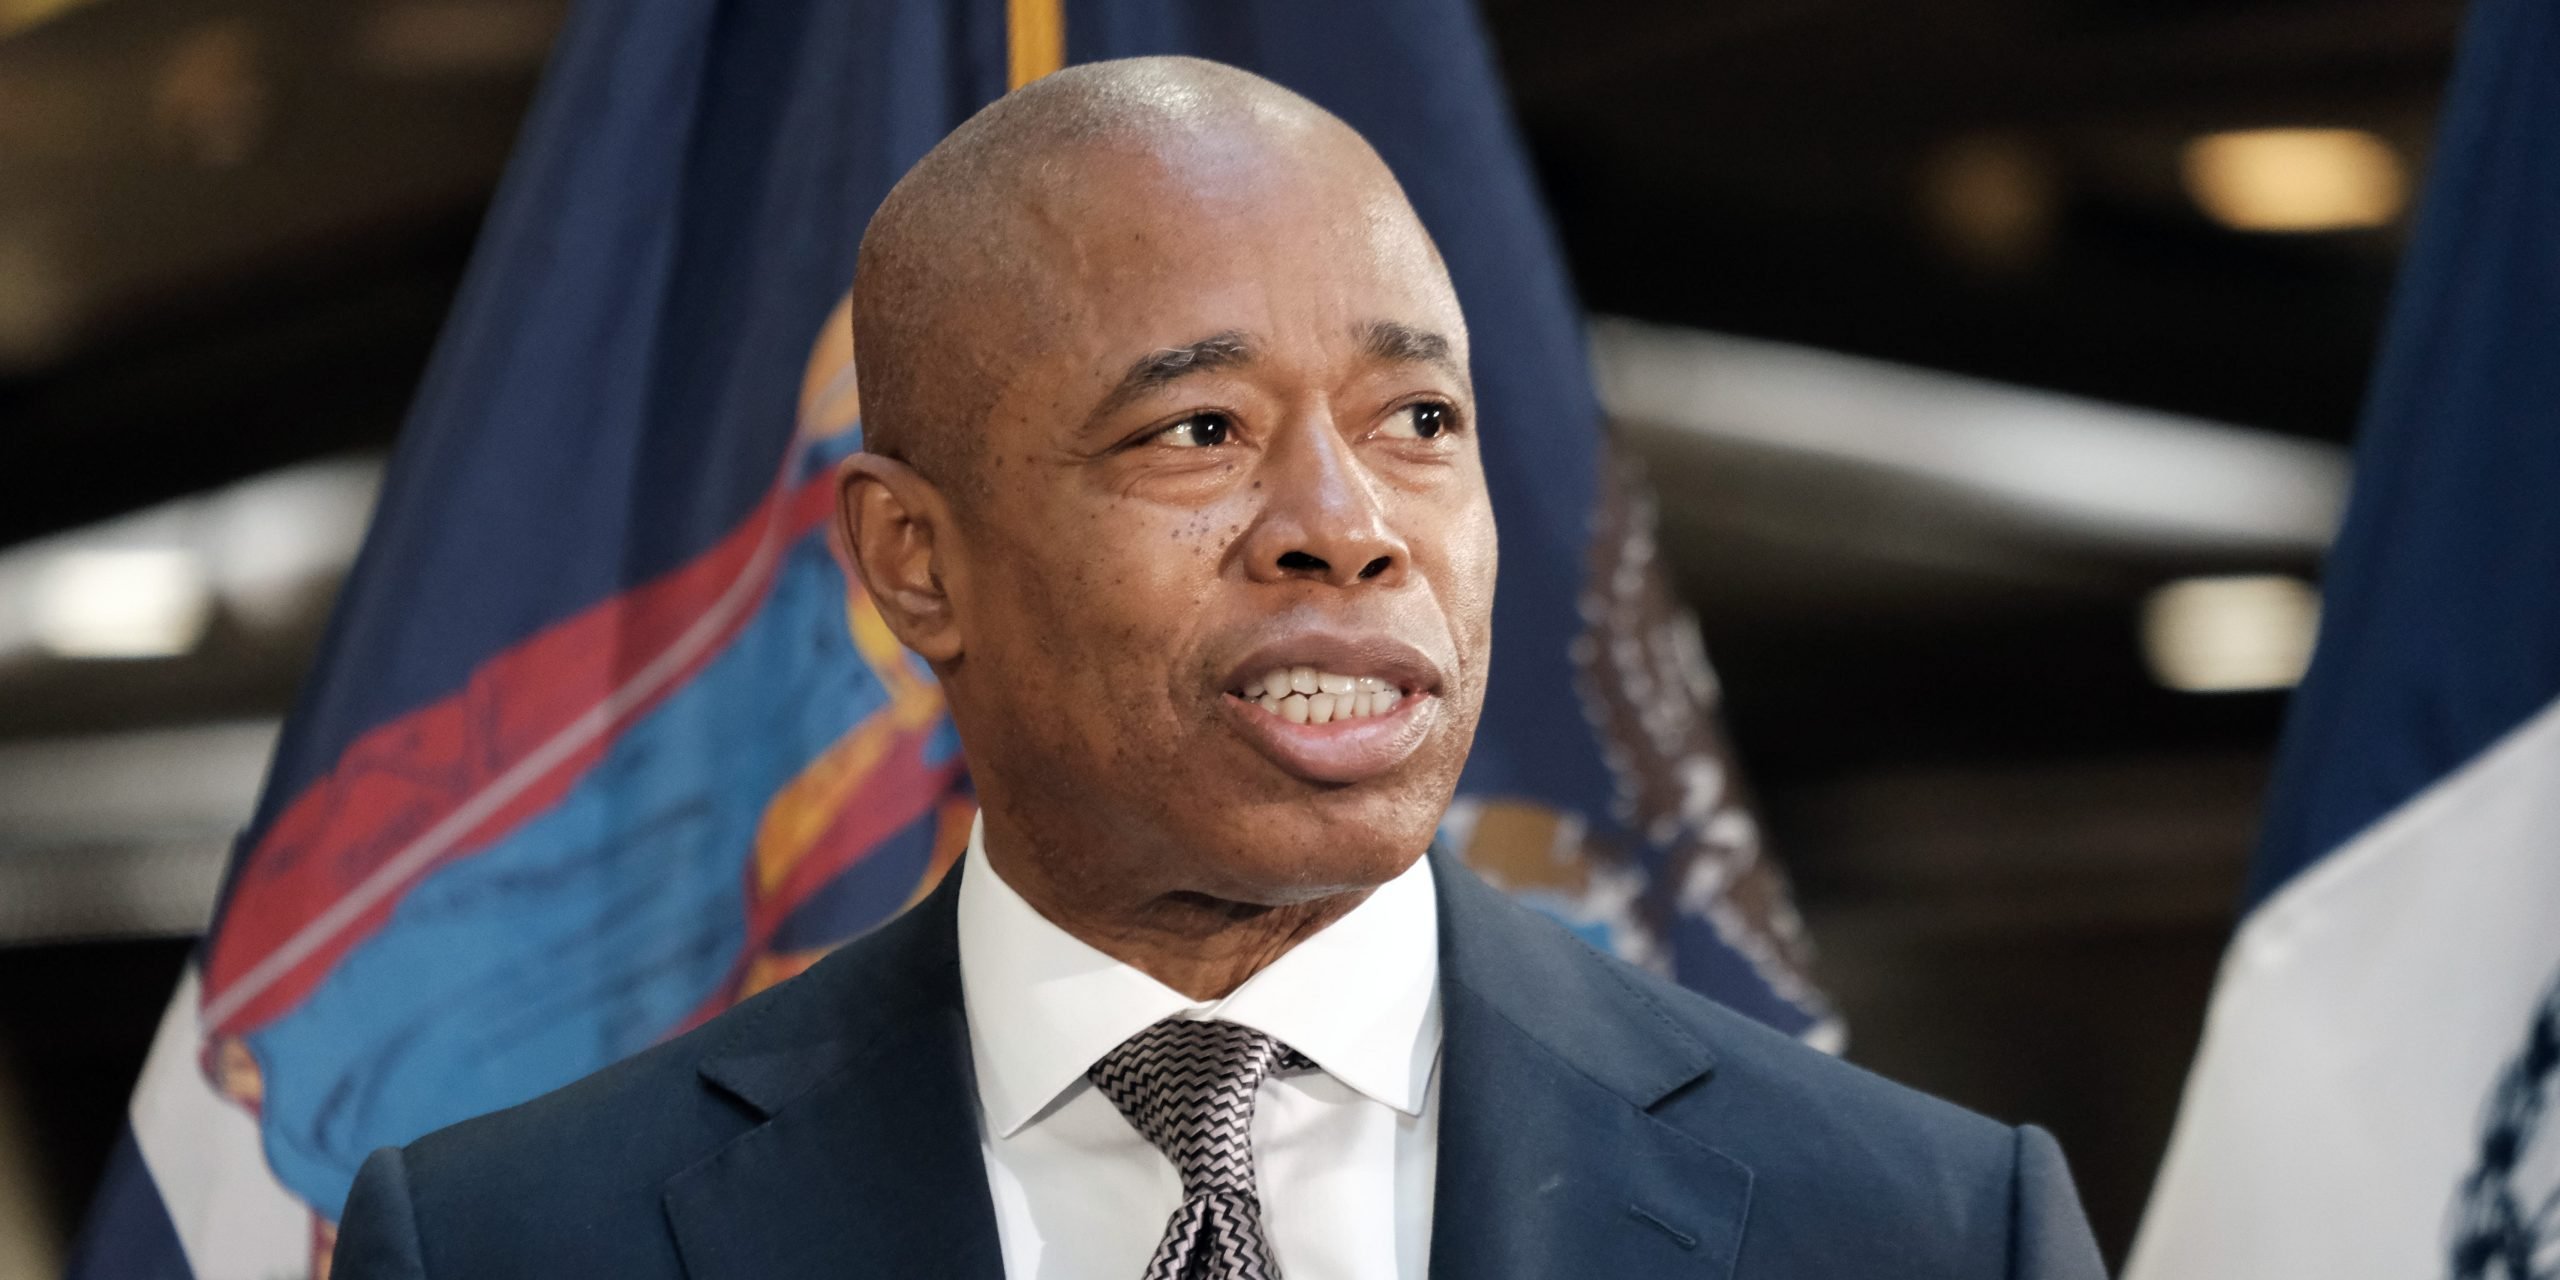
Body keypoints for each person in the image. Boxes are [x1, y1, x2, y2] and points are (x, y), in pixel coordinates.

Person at [330, 56, 2107, 1280]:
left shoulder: (1923, 1228)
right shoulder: (524, 1241)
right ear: (913, 562)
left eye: (1419, 419)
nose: (1346, 525)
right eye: (1198, 429)